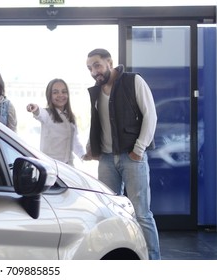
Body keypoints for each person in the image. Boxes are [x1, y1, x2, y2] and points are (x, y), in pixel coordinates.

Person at [83, 48, 160, 260]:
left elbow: (150, 115)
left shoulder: (133, 81)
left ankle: (153, 263)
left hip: (132, 156)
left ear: (110, 62)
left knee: (142, 214)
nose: (94, 71)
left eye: (97, 65)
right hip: (106, 160)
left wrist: (138, 150)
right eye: (90, 68)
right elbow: (97, 123)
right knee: (108, 214)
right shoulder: (96, 91)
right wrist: (92, 147)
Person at [26, 78, 85, 166]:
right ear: (49, 95)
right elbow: (40, 113)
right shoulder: (47, 114)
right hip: (50, 166)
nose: (60, 95)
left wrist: (83, 156)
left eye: (64, 92)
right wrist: (35, 108)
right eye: (55, 92)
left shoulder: (71, 117)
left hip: (68, 166)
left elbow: (75, 141)